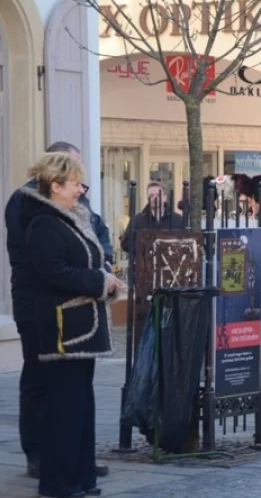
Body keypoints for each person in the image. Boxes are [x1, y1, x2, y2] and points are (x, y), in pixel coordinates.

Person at [4, 141, 112, 482]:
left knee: (76, 393)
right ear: (55, 178)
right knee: (41, 380)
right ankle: (40, 454)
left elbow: (98, 234)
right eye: (74, 177)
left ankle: (74, 461)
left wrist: (103, 264)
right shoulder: (31, 208)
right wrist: (95, 278)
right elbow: (47, 263)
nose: (81, 188)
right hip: (40, 307)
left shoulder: (74, 204)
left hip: (79, 312)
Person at [119, 181, 185, 253]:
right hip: (144, 263)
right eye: (151, 196)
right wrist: (144, 250)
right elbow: (126, 244)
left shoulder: (178, 220)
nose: (154, 198)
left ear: (165, 198)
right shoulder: (137, 220)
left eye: (157, 195)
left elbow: (184, 244)